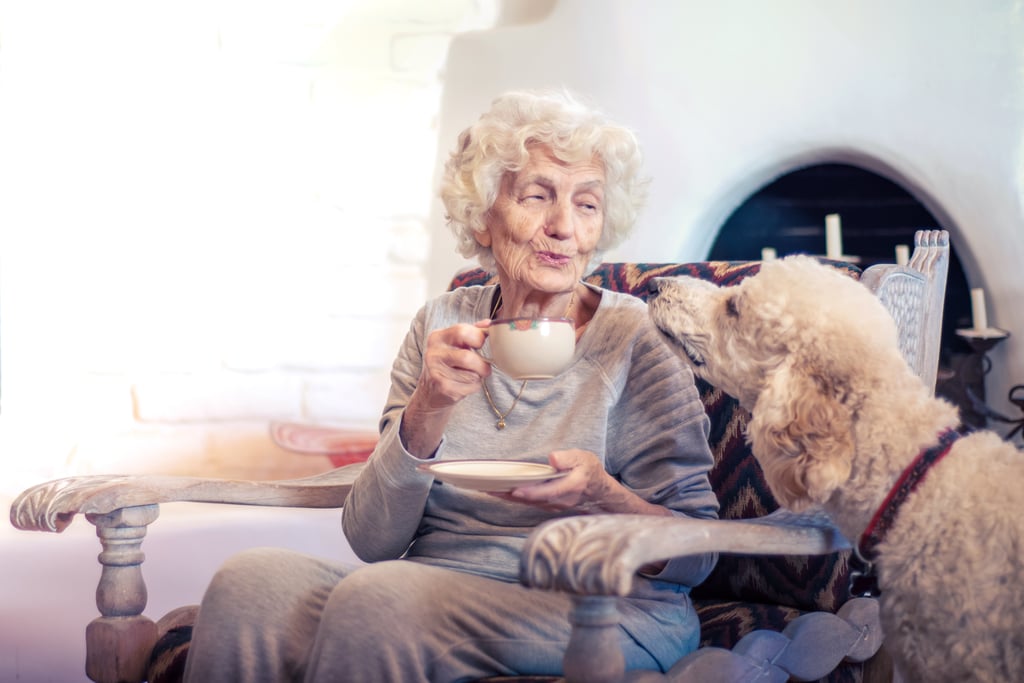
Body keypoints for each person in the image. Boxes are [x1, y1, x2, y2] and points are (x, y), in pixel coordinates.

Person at [182, 89, 719, 682]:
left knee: (381, 600)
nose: (563, 227)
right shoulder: (442, 325)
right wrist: (428, 407)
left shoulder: (635, 340)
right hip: (434, 582)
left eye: (586, 205)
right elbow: (371, 539)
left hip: (601, 608)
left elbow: (697, 557)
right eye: (537, 196)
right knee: (250, 584)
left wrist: (603, 497)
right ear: (484, 216)